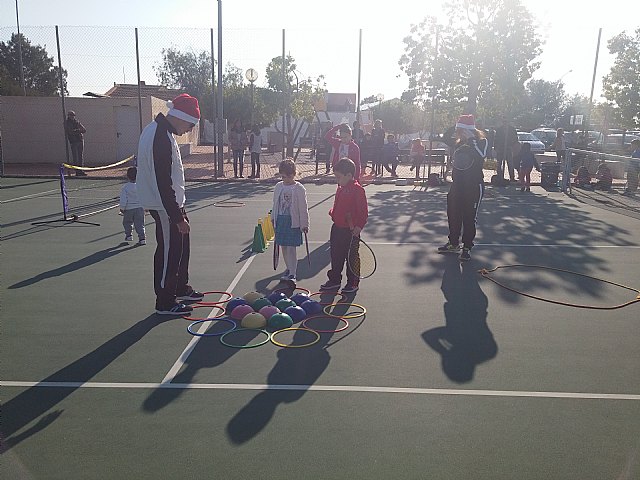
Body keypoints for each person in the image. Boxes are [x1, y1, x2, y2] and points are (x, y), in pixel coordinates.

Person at [136, 93, 204, 315]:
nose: (189, 130)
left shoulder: (164, 131)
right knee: (169, 251)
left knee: (181, 245)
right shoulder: (159, 137)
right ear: (181, 117)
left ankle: (180, 287)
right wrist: (176, 216)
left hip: (172, 202)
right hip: (164, 205)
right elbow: (162, 180)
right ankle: (165, 301)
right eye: (190, 125)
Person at [437, 114, 488, 262]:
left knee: (469, 217)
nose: (459, 132)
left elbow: (481, 155)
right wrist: (457, 125)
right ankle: (453, 243)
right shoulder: (458, 143)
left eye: (461, 129)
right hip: (457, 185)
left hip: (473, 185)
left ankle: (467, 247)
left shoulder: (481, 141)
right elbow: (445, 137)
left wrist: (472, 138)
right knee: (453, 214)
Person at [319, 158, 368, 295]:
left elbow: (363, 212)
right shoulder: (341, 188)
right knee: (336, 256)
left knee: (351, 257)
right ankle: (334, 280)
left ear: (348, 175)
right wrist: (333, 213)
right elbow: (339, 206)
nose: (337, 180)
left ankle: (353, 283)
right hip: (337, 229)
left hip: (351, 232)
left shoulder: (358, 190)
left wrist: (359, 226)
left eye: (339, 177)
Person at [271, 158, 310, 284]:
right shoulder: (278, 187)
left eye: (288, 176)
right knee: (283, 246)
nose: (286, 179)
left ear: (294, 174)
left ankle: (293, 273)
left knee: (291, 248)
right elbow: (275, 204)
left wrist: (304, 224)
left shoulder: (299, 188)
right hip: (281, 221)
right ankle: (289, 269)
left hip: (293, 222)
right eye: (283, 177)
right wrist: (273, 218)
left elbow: (303, 208)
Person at [119, 166, 146, 245]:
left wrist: (122, 208)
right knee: (140, 224)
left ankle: (129, 235)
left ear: (127, 176)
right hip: (139, 209)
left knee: (127, 222)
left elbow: (123, 199)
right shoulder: (141, 186)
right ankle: (142, 238)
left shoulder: (125, 187)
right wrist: (145, 206)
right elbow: (144, 196)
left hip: (129, 209)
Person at [494, 117, 518, 182]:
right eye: (504, 122)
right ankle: (500, 177)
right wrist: (496, 148)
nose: (505, 123)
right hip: (500, 148)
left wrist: (511, 145)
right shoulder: (499, 130)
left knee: (510, 163)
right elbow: (496, 139)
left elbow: (516, 138)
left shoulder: (512, 129)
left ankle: (512, 178)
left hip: (508, 148)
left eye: (506, 122)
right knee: (499, 164)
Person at [64, 110, 87, 176]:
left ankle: (81, 170)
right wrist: (78, 131)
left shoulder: (77, 122)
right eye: (71, 115)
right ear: (68, 116)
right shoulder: (67, 123)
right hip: (73, 141)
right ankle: (77, 171)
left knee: (80, 157)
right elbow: (70, 132)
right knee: (75, 157)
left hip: (80, 140)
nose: (72, 117)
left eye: (73, 115)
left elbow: (84, 130)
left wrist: (77, 130)